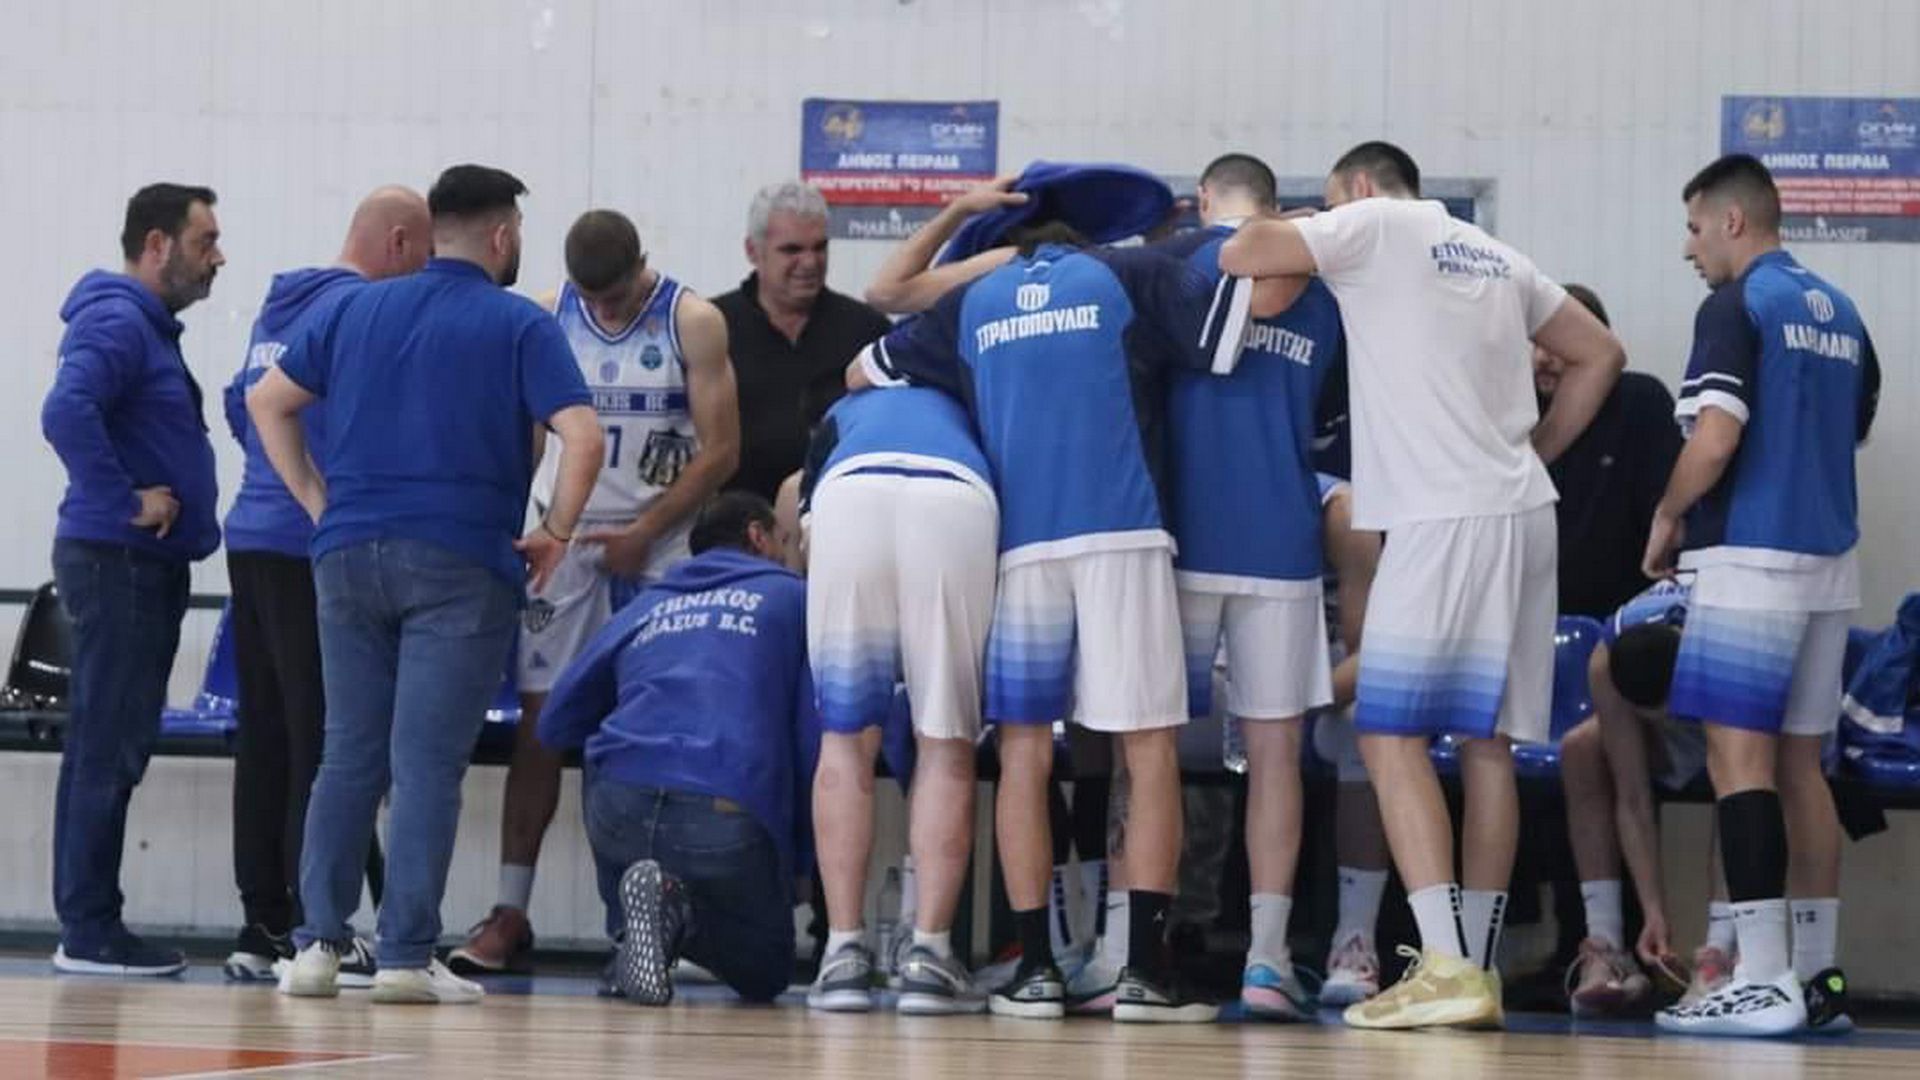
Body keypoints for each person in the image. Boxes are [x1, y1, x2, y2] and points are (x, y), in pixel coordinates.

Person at [1222, 141, 1626, 1030]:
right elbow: (1601, 353)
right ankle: (1473, 968)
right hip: (1522, 511)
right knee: (1486, 745)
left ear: (1361, 188)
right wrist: (1536, 451)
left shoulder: (1373, 223)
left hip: (1442, 515)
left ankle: (1445, 967)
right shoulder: (1496, 253)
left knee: (1387, 732)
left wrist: (1306, 223)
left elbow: (1241, 249)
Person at [848, 222, 1251, 1023]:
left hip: (1019, 544)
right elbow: (1233, 329)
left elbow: (863, 372)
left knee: (1025, 753)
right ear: (1079, 244)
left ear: (1018, 250)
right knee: (1147, 751)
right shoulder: (1125, 273)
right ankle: (1142, 975)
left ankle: (1034, 970)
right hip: (1124, 533)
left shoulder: (973, 301)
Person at [249, 164, 604, 1005]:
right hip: (460, 559)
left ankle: (316, 947)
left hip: (347, 553)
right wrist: (556, 534)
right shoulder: (519, 323)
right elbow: (584, 439)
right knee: (425, 765)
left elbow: (268, 402)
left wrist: (317, 502)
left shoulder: (352, 309)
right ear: (502, 236)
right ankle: (405, 955)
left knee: (347, 755)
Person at [451, 208, 740, 976]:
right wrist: (522, 528)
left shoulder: (692, 321)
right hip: (568, 544)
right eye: (593, 298)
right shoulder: (547, 316)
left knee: (664, 730)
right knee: (541, 726)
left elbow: (722, 451)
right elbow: (525, 439)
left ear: (642, 264)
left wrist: (647, 529)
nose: (604, 311)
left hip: (660, 546)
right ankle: (510, 910)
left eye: (614, 297)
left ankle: (657, 920)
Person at [1644, 154, 1879, 1037]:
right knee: (1799, 766)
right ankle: (1817, 978)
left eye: (1694, 228)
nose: (1689, 248)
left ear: (1733, 222)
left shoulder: (1736, 304)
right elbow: (1853, 426)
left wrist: (1668, 513)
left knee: (1738, 763)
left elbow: (1715, 437)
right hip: (1830, 561)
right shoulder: (1842, 310)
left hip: (1750, 557)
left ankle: (1765, 977)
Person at [220, 186, 432, 984]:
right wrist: (322, 493)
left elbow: (244, 408)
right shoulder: (358, 311)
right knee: (325, 742)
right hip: (311, 540)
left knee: (268, 737)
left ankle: (262, 925)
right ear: (400, 243)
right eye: (424, 258)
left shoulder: (278, 306)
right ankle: (318, 933)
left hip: (251, 535)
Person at [1155, 152, 1346, 1021]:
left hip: (1183, 539)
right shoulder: (1326, 291)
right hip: (1281, 541)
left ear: (1203, 200)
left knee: (1147, 749)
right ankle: (1267, 961)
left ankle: (1131, 946)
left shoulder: (1176, 264)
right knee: (1275, 756)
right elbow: (1332, 427)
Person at [41, 182, 225, 976]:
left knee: (110, 744)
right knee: (106, 746)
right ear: (156, 245)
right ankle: (89, 931)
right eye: (204, 241)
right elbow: (65, 411)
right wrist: (126, 500)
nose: (217, 257)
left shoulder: (139, 326)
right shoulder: (119, 321)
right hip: (119, 563)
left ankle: (89, 925)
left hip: (136, 565)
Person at [538, 493, 818, 1006]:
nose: (787, 552)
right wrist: (801, 862)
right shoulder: (793, 599)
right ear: (757, 536)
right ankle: (677, 920)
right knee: (766, 974)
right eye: (783, 540)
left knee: (607, 751)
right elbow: (811, 737)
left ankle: (636, 936)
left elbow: (556, 721)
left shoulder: (646, 605)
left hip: (621, 808)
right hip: (725, 807)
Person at [802, 384, 997, 1016]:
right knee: (945, 739)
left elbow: (804, 527)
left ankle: (842, 953)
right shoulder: (976, 392)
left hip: (848, 490)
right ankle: (929, 956)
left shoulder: (845, 406)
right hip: (956, 492)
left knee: (844, 737)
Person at [715, 181, 891, 502]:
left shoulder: (868, 330)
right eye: (792, 250)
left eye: (820, 247)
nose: (810, 263)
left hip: (839, 513)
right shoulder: (713, 329)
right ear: (753, 251)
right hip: (736, 521)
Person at [1536, 284, 1683, 619]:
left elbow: (1668, 514)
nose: (1542, 358)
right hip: (1536, 611)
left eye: (1557, 345)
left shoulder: (1639, 403)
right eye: (1536, 343)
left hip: (1627, 613)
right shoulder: (1518, 411)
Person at [1307, 473, 1392, 1007]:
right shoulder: (1188, 494)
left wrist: (1287, 704)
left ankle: (1355, 943)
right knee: (1136, 726)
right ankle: (1124, 939)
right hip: (1220, 687)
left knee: (1368, 723)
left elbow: (1369, 657)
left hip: (1316, 692)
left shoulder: (1340, 511)